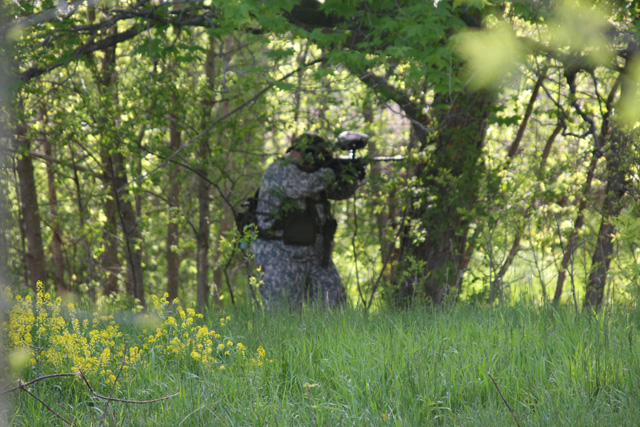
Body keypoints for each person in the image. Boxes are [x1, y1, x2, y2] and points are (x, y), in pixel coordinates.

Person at [251, 132, 363, 310]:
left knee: (337, 311)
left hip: (316, 255)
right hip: (279, 255)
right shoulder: (281, 168)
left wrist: (353, 175)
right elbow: (302, 186)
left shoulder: (317, 173)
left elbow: (339, 193)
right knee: (284, 317)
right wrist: (330, 170)